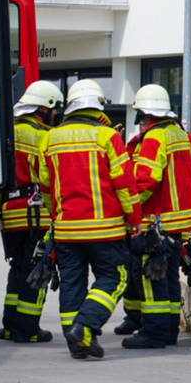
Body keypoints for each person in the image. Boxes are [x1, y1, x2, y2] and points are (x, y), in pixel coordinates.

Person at [37, 79, 141, 360]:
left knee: (72, 284)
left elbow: (45, 186)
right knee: (114, 277)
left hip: (67, 229)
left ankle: (78, 343)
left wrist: (56, 217)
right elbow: (124, 184)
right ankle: (86, 326)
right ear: (97, 106)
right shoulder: (108, 137)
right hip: (105, 229)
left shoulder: (50, 138)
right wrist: (134, 219)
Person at [115, 84, 191, 349]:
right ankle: (169, 329)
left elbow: (146, 180)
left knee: (152, 278)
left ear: (143, 115)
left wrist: (128, 208)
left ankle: (156, 334)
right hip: (179, 223)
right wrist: (183, 155)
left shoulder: (154, 138)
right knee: (169, 275)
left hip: (156, 222)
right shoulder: (178, 135)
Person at [0, 81, 64, 344]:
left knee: (17, 268)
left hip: (10, 212)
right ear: (44, 108)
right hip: (36, 213)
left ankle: (10, 325)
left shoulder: (8, 132)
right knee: (37, 269)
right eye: (54, 108)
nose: (56, 114)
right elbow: (49, 178)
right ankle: (28, 329)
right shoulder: (44, 136)